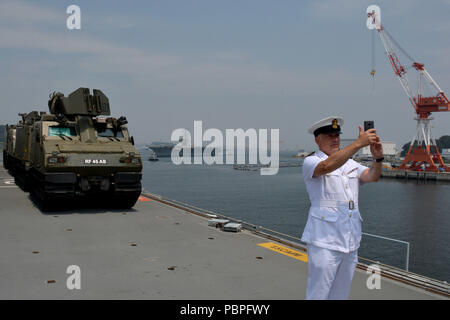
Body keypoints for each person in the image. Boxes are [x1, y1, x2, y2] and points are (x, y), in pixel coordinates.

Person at [301, 116, 383, 300]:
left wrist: (378, 159)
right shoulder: (311, 161)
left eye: (337, 135)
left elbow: (372, 176)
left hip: (350, 242)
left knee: (340, 295)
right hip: (324, 242)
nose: (335, 139)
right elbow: (327, 166)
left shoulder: (350, 163)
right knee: (318, 295)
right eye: (329, 135)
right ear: (317, 140)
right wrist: (358, 144)